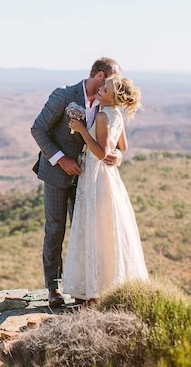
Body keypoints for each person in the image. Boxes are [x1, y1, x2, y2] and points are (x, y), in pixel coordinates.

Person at [30, 57, 125, 308]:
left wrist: (117, 155)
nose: (116, 86)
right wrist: (61, 160)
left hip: (89, 180)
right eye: (112, 80)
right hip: (57, 175)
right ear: (101, 77)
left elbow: (112, 142)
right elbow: (38, 129)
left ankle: (85, 288)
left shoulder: (107, 106)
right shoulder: (64, 96)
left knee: (87, 231)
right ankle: (54, 288)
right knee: (55, 230)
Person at [63, 74, 149, 305]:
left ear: (115, 96)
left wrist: (81, 130)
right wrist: (119, 155)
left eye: (106, 87)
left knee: (94, 228)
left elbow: (101, 153)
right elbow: (123, 146)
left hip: (96, 176)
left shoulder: (102, 116)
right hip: (108, 177)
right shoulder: (116, 114)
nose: (101, 88)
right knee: (106, 229)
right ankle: (105, 285)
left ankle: (95, 289)